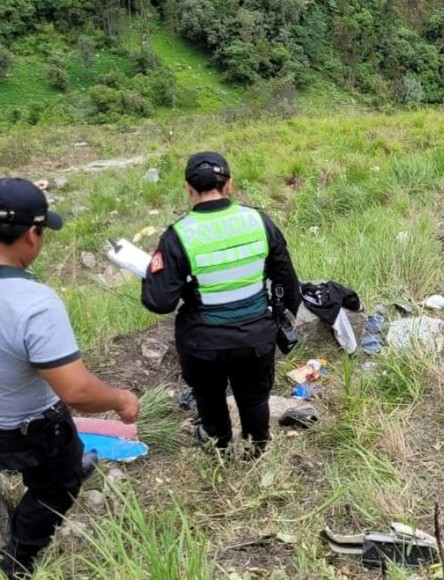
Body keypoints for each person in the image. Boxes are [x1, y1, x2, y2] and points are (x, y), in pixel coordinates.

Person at [0, 178, 140, 577]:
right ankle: (18, 562)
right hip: (26, 429)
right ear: (31, 234)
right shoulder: (34, 303)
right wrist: (121, 399)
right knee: (56, 483)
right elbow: (76, 390)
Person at [141, 152, 301, 456]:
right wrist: (280, 321)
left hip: (203, 343)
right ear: (229, 185)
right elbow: (288, 283)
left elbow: (159, 302)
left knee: (209, 396)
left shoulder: (177, 235)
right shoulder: (259, 221)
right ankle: (257, 446)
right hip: (256, 337)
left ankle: (218, 443)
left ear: (188, 188)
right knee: (255, 397)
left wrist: (152, 271)